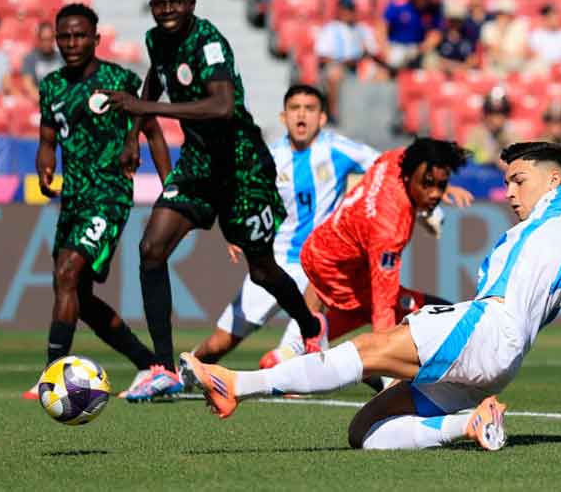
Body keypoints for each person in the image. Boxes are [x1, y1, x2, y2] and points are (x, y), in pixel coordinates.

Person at [182, 49, 561, 452]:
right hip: (498, 356)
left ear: (554, 180)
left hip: (489, 329)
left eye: (519, 180)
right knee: (368, 433)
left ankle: (237, 385)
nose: (509, 193)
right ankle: (469, 424)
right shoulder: (522, 233)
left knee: (374, 348)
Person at [101, 0, 324, 401]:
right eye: (159, 3)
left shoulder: (209, 42)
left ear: (192, 4)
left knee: (261, 271)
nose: (167, 10)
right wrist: (134, 134)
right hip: (200, 164)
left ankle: (310, 328)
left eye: (175, 2)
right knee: (150, 250)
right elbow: (153, 77)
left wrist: (145, 107)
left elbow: (222, 106)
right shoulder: (156, 40)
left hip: (241, 166)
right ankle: (163, 368)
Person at [188, 87, 467, 369]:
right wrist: (235, 232)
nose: (301, 115)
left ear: (322, 119)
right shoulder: (267, 157)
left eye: (309, 109)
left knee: (302, 347)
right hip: (274, 263)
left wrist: (434, 195)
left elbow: (398, 172)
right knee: (220, 342)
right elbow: (241, 197)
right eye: (295, 108)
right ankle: (181, 374)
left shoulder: (339, 149)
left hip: (319, 265)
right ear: (284, 117)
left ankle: (298, 362)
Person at [24, 4, 172, 400]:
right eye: (64, 37)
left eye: (79, 36)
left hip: (108, 195)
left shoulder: (118, 80)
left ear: (95, 39)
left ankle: (50, 376)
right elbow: (47, 138)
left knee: (68, 274)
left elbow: (153, 132)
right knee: (78, 295)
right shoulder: (52, 85)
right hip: (73, 196)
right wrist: (44, 168)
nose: (71, 43)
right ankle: (149, 364)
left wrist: (169, 186)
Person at [277, 138, 471, 367]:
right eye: (428, 184)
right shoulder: (390, 228)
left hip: (323, 247)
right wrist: (389, 362)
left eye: (441, 185)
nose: (435, 193)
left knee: (362, 312)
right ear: (409, 176)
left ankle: (290, 353)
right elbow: (383, 306)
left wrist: (436, 190)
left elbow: (420, 166)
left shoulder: (396, 159)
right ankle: (333, 365)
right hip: (338, 270)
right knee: (430, 311)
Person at [315, 0, 380, 120]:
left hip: (360, 64)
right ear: (339, 11)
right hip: (339, 65)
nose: (348, 14)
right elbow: (322, 55)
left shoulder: (363, 29)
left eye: (351, 10)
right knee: (335, 74)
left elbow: (373, 50)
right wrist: (342, 62)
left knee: (379, 74)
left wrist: (364, 53)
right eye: (345, 10)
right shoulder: (330, 29)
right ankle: (335, 114)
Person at [464, 89, 522, 168]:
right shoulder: (477, 133)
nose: (495, 119)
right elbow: (467, 157)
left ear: (506, 115)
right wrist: (492, 159)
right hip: (482, 175)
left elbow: (519, 160)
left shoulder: (512, 134)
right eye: (490, 112)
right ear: (485, 114)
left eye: (501, 113)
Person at [479, 0, 529, 74]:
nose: (503, 16)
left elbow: (523, 50)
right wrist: (501, 31)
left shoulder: (519, 26)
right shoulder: (489, 27)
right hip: (496, 64)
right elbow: (493, 50)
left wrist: (510, 56)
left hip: (516, 63)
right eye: (501, 13)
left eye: (506, 13)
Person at [527, 4, 561, 72]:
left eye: (556, 16)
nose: (554, 19)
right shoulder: (536, 34)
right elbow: (532, 53)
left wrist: (560, 63)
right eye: (550, 17)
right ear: (544, 18)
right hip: (543, 64)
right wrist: (549, 63)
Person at [20, 22, 63, 96]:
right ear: (38, 39)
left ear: (54, 39)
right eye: (43, 39)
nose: (46, 43)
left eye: (49, 39)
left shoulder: (62, 58)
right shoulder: (30, 59)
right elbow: (28, 86)